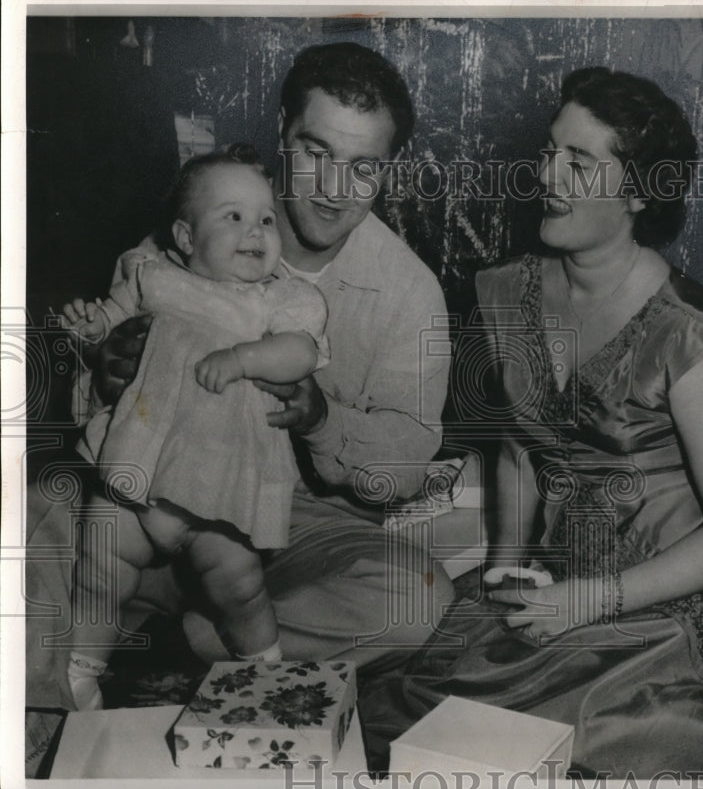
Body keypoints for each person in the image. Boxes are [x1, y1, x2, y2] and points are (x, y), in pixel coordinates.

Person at [359, 67, 703, 778]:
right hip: (562, 571)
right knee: (426, 712)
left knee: (594, 731)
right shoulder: (506, 292)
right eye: (548, 151)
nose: (548, 175)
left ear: (636, 191)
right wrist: (507, 561)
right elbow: (514, 452)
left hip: (682, 593)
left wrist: (595, 598)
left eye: (580, 162)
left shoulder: (694, 336)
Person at [26, 42, 454, 710]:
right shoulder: (191, 228)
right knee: (31, 516)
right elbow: (95, 395)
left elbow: (405, 465)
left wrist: (320, 418)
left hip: (286, 527)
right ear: (282, 131)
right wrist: (105, 370)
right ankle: (72, 674)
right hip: (143, 486)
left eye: (363, 167)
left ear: (389, 168)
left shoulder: (410, 292)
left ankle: (192, 636)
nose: (335, 188)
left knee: (415, 598)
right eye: (315, 151)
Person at [58, 145, 330, 709]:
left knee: (242, 589)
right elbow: (107, 325)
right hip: (135, 467)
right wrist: (89, 328)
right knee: (99, 569)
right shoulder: (152, 276)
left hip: (220, 488)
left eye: (265, 219)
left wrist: (244, 360)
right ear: (184, 237)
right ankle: (80, 676)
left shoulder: (279, 299)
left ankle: (266, 671)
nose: (255, 230)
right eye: (233, 216)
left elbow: (300, 354)